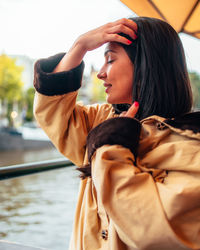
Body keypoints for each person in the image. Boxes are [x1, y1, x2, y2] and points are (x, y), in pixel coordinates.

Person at [33, 17, 200, 250]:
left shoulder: (191, 145)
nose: (100, 73)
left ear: (146, 65)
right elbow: (52, 110)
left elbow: (156, 233)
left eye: (110, 60)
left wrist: (110, 146)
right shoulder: (104, 119)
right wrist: (79, 46)